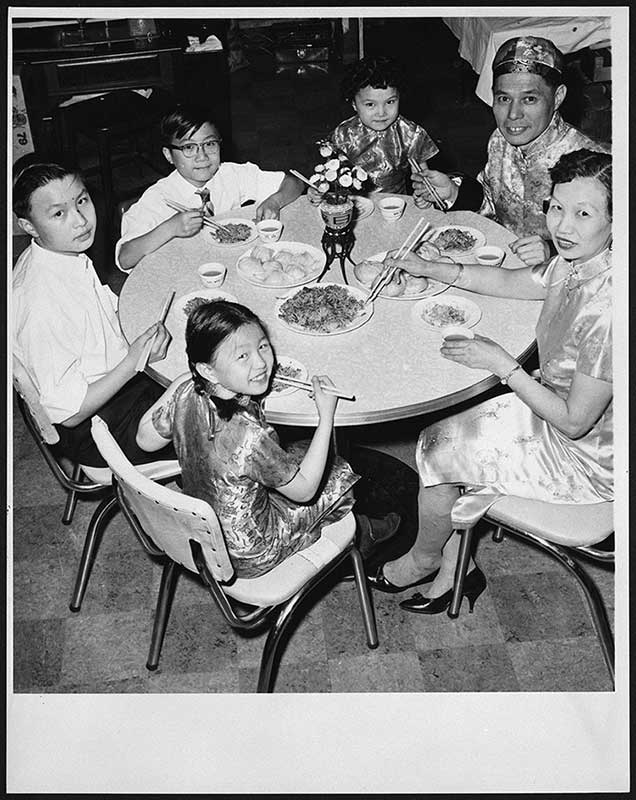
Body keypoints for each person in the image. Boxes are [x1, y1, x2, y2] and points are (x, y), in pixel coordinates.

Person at [370, 148, 612, 614]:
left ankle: (423, 560)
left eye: (583, 213)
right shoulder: (578, 262)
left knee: (437, 447)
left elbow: (576, 422)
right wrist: (432, 269)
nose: (563, 226)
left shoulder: (608, 309)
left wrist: (503, 364)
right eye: (557, 208)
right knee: (443, 437)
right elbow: (511, 282)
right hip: (554, 406)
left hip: (587, 454)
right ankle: (453, 567)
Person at [136, 300, 400, 579]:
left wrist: (185, 381)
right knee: (337, 472)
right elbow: (305, 491)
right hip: (251, 551)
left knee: (296, 452)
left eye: (262, 346)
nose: (261, 363)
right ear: (208, 370)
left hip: (202, 528)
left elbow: (146, 440)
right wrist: (326, 417)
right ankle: (361, 533)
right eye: (242, 357)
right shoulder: (248, 435)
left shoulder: (186, 391)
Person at [12, 162, 175, 468]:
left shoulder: (59, 254)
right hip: (97, 430)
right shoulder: (42, 306)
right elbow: (70, 413)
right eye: (58, 213)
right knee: (218, 413)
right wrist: (133, 362)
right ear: (29, 226)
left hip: (110, 383)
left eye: (82, 201)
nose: (80, 221)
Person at [412, 36, 607, 268]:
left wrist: (553, 250)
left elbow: (611, 242)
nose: (513, 114)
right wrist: (454, 192)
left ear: (557, 98)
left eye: (530, 99)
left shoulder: (591, 160)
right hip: (500, 263)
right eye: (504, 98)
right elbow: (491, 203)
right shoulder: (499, 141)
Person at [116, 104, 305, 270]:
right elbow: (125, 258)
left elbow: (295, 182)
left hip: (231, 264)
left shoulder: (230, 174)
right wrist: (170, 228)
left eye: (210, 144)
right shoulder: (158, 198)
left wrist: (274, 201)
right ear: (168, 155)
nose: (202, 156)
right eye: (189, 147)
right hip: (182, 272)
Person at [309, 55, 439, 199]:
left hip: (394, 203)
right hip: (355, 203)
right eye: (370, 104)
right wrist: (319, 190)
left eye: (390, 102)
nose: (381, 113)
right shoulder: (343, 134)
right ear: (354, 104)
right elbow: (329, 173)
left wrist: (423, 195)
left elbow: (421, 177)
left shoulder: (411, 134)